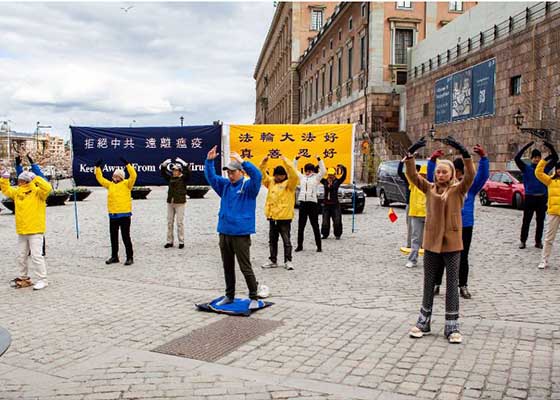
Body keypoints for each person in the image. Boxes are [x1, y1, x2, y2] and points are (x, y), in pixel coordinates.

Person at [404, 136, 474, 344]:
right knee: (428, 283)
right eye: (438, 171)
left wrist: (464, 152)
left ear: (452, 174)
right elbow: (412, 175)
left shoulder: (459, 189)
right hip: (432, 243)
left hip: (452, 244)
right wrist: (411, 154)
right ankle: (423, 322)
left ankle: (452, 326)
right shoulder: (429, 188)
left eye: (445, 171)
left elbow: (470, 175)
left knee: (452, 284)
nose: (441, 174)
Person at [204, 146, 262, 308]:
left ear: (241, 172)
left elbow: (258, 175)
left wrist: (244, 162)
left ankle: (254, 297)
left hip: (241, 233)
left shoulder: (249, 187)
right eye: (228, 172)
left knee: (245, 267)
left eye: (233, 172)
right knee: (227, 266)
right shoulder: (225, 186)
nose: (229, 175)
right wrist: (209, 161)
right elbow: (211, 178)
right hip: (224, 231)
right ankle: (229, 295)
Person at [429, 145, 490, 299]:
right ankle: (436, 283)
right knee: (440, 255)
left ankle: (462, 285)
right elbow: (431, 177)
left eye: (458, 172)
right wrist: (432, 160)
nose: (455, 174)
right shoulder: (441, 186)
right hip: (445, 224)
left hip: (465, 225)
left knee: (463, 257)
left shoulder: (467, 187)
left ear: (461, 172)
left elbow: (482, 176)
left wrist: (484, 159)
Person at [0, 167, 52, 290]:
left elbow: (48, 188)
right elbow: (6, 190)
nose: (19, 182)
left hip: (35, 229)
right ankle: (24, 278)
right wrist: (4, 178)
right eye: (19, 180)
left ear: (27, 181)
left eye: (21, 180)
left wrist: (36, 178)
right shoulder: (18, 192)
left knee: (36, 256)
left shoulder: (38, 192)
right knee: (21, 255)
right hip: (22, 229)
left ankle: (43, 280)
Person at [95, 157, 137, 266]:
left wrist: (128, 165)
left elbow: (134, 176)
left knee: (125, 236)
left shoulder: (127, 184)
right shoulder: (110, 185)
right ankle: (114, 256)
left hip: (124, 215)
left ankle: (129, 257)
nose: (114, 177)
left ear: (121, 177)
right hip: (113, 215)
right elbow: (100, 179)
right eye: (114, 175)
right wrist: (97, 167)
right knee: (113, 237)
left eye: (117, 176)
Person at [260, 154, 299, 270]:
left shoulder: (289, 184)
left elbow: (294, 174)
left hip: (285, 218)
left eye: (280, 175)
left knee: (286, 241)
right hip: (272, 217)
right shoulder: (271, 182)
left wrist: (286, 162)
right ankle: (273, 260)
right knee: (272, 240)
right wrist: (264, 163)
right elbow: (262, 175)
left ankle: (288, 261)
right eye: (276, 175)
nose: (278, 177)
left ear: (284, 175)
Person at [515, 141, 553, 249]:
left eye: (538, 157)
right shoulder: (526, 168)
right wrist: (526, 146)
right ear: (531, 158)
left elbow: (555, 158)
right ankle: (523, 241)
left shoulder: (544, 169)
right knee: (526, 221)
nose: (536, 159)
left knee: (540, 221)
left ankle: (538, 241)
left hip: (541, 198)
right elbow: (517, 158)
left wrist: (549, 148)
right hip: (529, 197)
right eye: (535, 157)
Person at [534, 141, 560, 269]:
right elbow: (538, 172)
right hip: (553, 212)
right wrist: (546, 159)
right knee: (549, 238)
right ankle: (544, 260)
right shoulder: (550, 180)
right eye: (559, 168)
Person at [294, 154, 326, 252]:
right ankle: (300, 245)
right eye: (306, 170)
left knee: (315, 225)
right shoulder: (302, 178)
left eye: (310, 170)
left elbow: (323, 171)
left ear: (312, 171)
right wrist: (296, 158)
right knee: (301, 226)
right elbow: (293, 169)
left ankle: (319, 246)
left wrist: (319, 160)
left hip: (312, 203)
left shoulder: (316, 178)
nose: (308, 172)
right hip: (303, 203)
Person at [160, 157, 191, 249]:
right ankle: (169, 241)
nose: (174, 172)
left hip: (180, 203)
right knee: (169, 222)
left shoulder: (183, 179)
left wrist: (183, 163)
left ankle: (181, 241)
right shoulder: (170, 178)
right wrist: (164, 165)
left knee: (179, 223)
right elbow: (163, 173)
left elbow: (188, 172)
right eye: (173, 170)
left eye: (176, 170)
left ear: (180, 171)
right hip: (170, 202)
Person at [403, 163, 428, 268]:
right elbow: (408, 174)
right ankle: (412, 259)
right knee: (415, 238)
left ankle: (430, 261)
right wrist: (408, 161)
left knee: (429, 240)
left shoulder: (431, 185)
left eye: (425, 175)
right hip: (416, 214)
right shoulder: (414, 184)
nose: (424, 177)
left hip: (429, 215)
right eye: (422, 174)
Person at [320, 164, 347, 239]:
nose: (330, 176)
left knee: (337, 220)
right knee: (325, 221)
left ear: (334, 175)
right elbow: (317, 175)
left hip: (335, 204)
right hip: (326, 205)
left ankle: (338, 234)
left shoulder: (337, 181)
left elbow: (344, 176)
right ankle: (325, 234)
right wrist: (318, 167)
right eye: (329, 175)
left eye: (332, 175)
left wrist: (343, 168)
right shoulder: (325, 181)